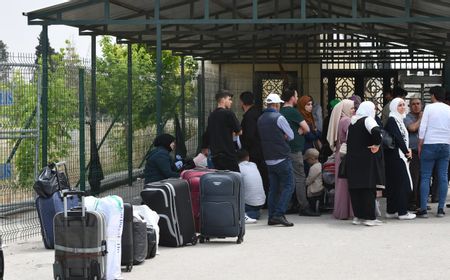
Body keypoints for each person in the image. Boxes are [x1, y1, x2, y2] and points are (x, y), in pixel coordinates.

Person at [257, 93, 295, 227]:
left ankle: (272, 216)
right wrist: (282, 136)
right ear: (277, 105)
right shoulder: (279, 118)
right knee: (289, 186)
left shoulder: (260, 119)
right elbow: (291, 136)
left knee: (273, 188)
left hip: (268, 158)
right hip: (282, 157)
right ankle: (279, 214)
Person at [280, 88, 318, 217]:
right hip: (295, 149)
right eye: (296, 96)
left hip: (283, 148)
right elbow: (307, 128)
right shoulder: (293, 112)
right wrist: (300, 132)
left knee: (286, 178)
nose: (297, 98)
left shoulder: (280, 111)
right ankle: (304, 206)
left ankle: (288, 205)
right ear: (292, 98)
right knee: (300, 177)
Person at [346, 101, 385, 226]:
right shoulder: (368, 120)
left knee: (355, 188)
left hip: (352, 159)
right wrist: (376, 144)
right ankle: (369, 218)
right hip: (366, 159)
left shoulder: (352, 122)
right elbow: (376, 132)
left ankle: (358, 216)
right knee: (368, 187)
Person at [416, 86, 450, 218]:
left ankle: (423, 209)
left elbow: (423, 126)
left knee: (425, 176)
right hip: (445, 145)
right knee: (443, 176)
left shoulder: (429, 108)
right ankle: (440, 209)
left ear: (434, 96)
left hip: (430, 144)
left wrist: (420, 144)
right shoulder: (449, 109)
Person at [384, 98, 416, 220]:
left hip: (398, 156)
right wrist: (406, 151)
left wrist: (407, 150)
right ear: (393, 107)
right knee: (403, 184)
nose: (403, 107)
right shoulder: (393, 120)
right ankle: (402, 212)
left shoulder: (399, 120)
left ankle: (391, 211)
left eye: (403, 105)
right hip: (395, 157)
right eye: (399, 105)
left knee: (394, 184)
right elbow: (398, 138)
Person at [326, 99, 355, 220]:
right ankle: (347, 212)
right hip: (346, 155)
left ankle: (342, 211)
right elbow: (351, 138)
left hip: (340, 154)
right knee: (346, 184)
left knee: (342, 184)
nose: (354, 110)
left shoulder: (341, 119)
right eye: (352, 108)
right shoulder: (347, 120)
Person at [203, 89, 242, 172]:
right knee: (235, 178)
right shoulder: (229, 113)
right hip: (228, 154)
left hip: (215, 156)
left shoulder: (211, 116)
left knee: (221, 180)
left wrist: (205, 147)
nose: (231, 102)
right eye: (229, 99)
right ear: (223, 100)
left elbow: (207, 133)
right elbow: (239, 131)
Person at [239, 91, 269, 195]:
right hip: (262, 149)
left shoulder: (249, 116)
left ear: (242, 102)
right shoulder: (258, 113)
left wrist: (244, 149)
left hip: (254, 152)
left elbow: (249, 136)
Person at [404, 97, 423, 210]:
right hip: (413, 152)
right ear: (410, 106)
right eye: (413, 104)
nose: (416, 106)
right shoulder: (407, 117)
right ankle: (412, 202)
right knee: (414, 178)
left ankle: (421, 203)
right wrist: (420, 118)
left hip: (425, 152)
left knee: (423, 178)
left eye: (418, 103)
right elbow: (412, 128)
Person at [237, 149, 266, 223]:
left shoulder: (238, 168)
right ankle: (255, 213)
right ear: (248, 157)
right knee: (255, 211)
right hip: (261, 202)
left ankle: (240, 216)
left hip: (249, 203)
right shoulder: (254, 165)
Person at [304, 148, 325, 213]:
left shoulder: (314, 168)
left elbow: (310, 179)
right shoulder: (320, 165)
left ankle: (313, 209)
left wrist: (304, 183)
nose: (307, 161)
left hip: (314, 189)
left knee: (312, 201)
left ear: (312, 158)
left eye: (307, 159)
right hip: (319, 187)